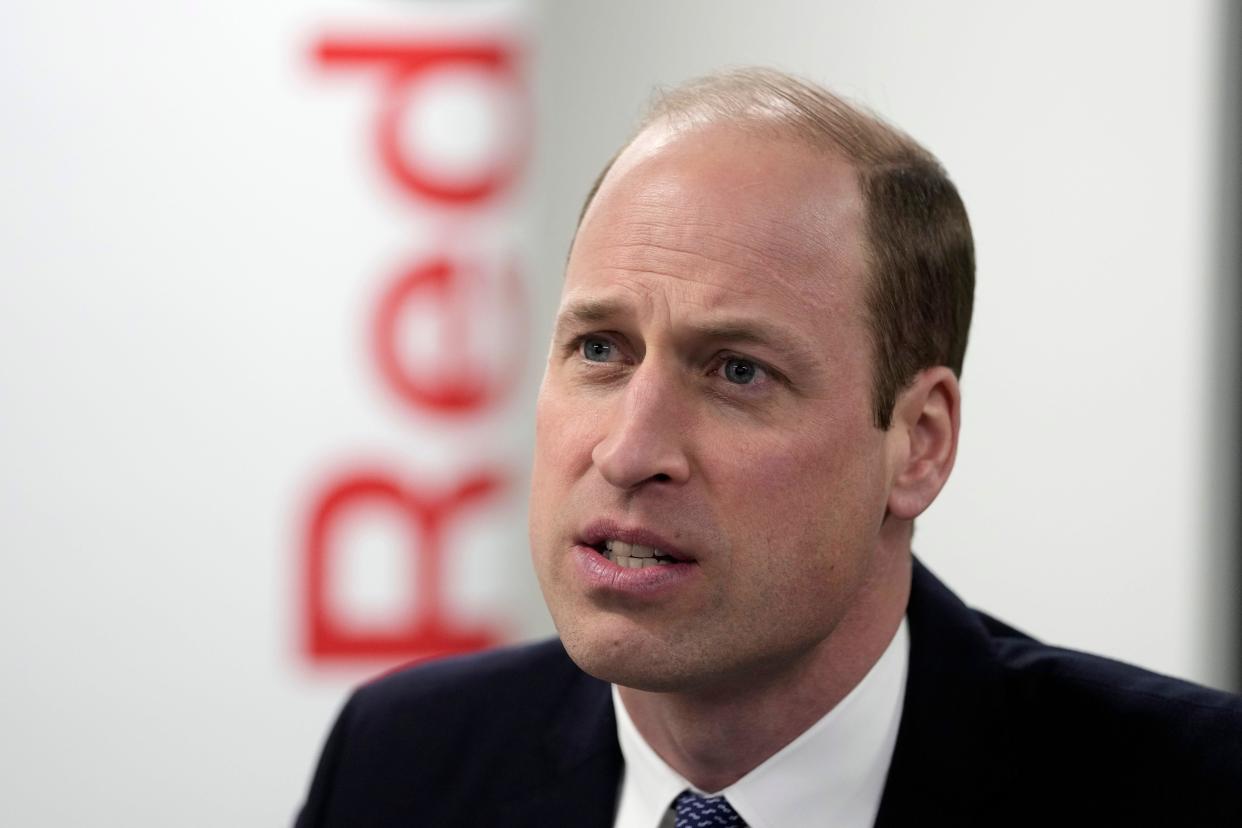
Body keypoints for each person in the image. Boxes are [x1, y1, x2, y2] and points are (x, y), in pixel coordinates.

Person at [294, 68, 1242, 827]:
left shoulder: (1194, 788)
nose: (629, 452)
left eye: (737, 371)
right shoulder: (399, 762)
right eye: (599, 349)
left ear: (918, 444)